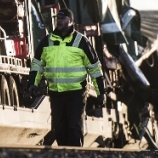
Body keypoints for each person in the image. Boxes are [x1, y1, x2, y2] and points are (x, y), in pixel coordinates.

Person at [28, 8, 105, 147]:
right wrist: (32, 84)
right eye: (57, 18)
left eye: (62, 19)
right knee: (60, 129)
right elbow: (37, 65)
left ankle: (75, 156)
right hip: (56, 93)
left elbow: (94, 69)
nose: (59, 21)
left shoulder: (82, 42)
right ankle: (64, 157)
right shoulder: (47, 41)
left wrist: (101, 92)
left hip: (76, 93)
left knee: (74, 127)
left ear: (71, 21)